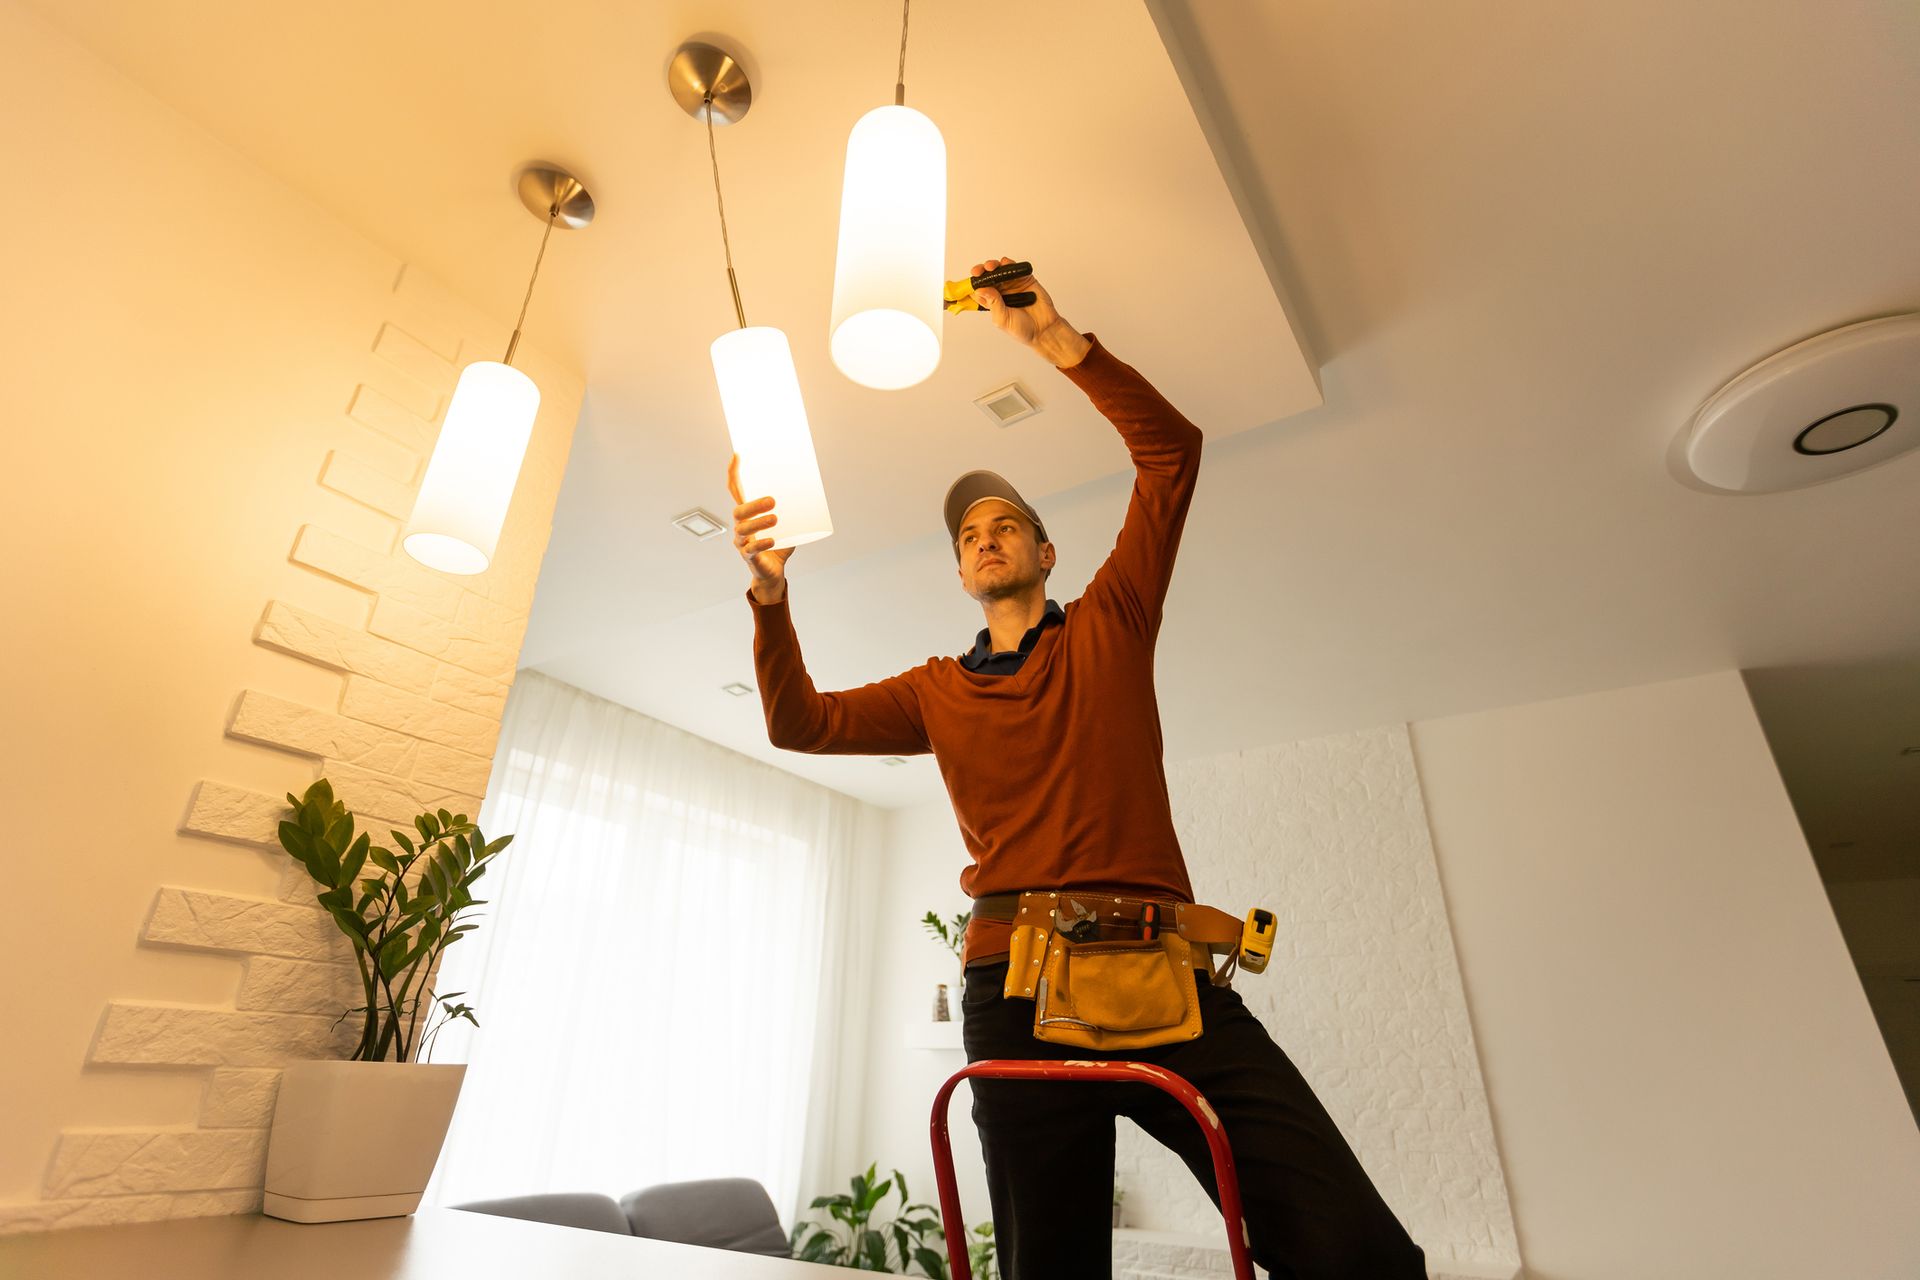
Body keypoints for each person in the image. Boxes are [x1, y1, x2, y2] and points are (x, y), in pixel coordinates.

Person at [727, 259, 1425, 1278]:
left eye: (1007, 522)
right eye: (970, 534)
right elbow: (799, 722)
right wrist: (769, 597)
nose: (987, 535)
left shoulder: (1110, 625)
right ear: (962, 573)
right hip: (1011, 983)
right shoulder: (935, 690)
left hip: (1160, 972)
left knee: (1352, 1245)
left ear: (1048, 552)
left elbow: (1172, 457)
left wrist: (1062, 344)